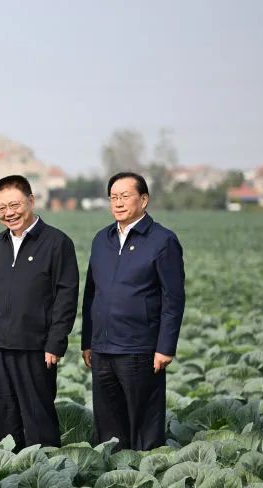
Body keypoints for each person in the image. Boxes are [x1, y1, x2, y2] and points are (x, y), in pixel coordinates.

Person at [81, 172, 185, 450]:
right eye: (113, 197)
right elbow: (91, 292)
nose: (118, 203)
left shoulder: (162, 240)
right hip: (103, 348)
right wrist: (88, 340)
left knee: (144, 423)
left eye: (125, 196)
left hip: (140, 347)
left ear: (144, 199)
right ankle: (112, 474)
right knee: (108, 423)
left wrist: (165, 347)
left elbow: (173, 298)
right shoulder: (101, 239)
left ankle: (149, 473)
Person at [0, 175, 79, 450]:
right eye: (1, 208)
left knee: (38, 419)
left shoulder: (57, 243)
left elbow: (66, 297)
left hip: (37, 348)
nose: (9, 213)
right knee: (2, 420)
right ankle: (6, 479)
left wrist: (55, 342)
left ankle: (46, 473)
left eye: (14, 205)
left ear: (31, 201)